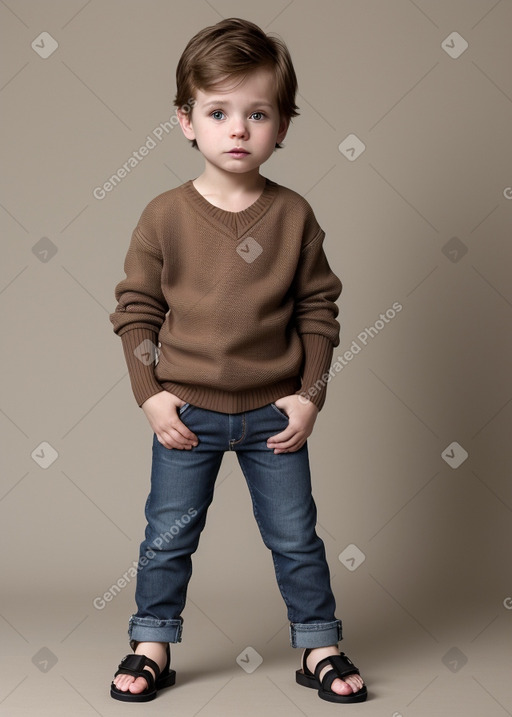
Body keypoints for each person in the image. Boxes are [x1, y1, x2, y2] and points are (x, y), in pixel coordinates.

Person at [108, 17, 367, 705]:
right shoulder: (164, 215)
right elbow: (137, 311)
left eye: (258, 113)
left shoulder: (293, 216)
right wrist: (151, 394)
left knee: (296, 535)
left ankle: (320, 644)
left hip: (273, 412)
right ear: (186, 120)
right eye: (219, 111)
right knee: (167, 535)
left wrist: (310, 394)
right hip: (186, 410)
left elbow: (319, 310)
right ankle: (151, 641)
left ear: (282, 126)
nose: (239, 129)